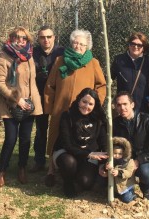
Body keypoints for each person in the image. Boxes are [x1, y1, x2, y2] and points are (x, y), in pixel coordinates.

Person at [44, 29, 107, 186]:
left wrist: (94, 103)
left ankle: (79, 166)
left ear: (88, 46)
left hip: (83, 111)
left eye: (82, 44)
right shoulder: (60, 60)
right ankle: (51, 170)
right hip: (61, 108)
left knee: (80, 138)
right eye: (75, 42)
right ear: (71, 43)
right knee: (55, 138)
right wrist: (50, 107)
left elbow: (101, 85)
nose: (78, 46)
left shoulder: (93, 63)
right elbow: (50, 86)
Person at [0, 27, 43, 186]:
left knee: (25, 139)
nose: (20, 40)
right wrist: (17, 100)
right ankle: (2, 169)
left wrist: (32, 102)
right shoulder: (4, 57)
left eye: (24, 38)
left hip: (28, 105)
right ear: (11, 38)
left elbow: (32, 82)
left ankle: (22, 167)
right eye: (17, 37)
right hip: (11, 105)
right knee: (10, 139)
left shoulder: (29, 56)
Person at [53, 88, 108, 197]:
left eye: (90, 104)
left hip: (89, 155)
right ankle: (67, 181)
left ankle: (77, 175)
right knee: (69, 163)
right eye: (84, 102)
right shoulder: (67, 116)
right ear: (79, 100)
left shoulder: (98, 119)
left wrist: (104, 162)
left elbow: (103, 143)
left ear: (95, 105)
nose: (86, 106)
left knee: (85, 182)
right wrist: (88, 154)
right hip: (67, 152)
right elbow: (67, 144)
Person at [112, 91, 149, 201]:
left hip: (144, 157)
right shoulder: (115, 123)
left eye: (125, 104)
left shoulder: (146, 120)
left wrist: (139, 160)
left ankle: (146, 188)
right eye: (119, 105)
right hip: (124, 159)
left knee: (145, 173)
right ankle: (127, 189)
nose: (122, 108)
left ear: (132, 105)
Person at [30, 25, 64, 173]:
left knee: (59, 128)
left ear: (54, 38)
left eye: (49, 37)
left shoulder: (61, 52)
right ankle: (39, 160)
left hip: (58, 96)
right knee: (41, 129)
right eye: (42, 37)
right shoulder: (32, 53)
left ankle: (58, 160)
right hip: (39, 96)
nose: (46, 40)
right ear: (38, 39)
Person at [111, 32, 149, 114]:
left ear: (144, 47)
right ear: (129, 45)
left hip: (143, 108)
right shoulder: (119, 60)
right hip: (123, 109)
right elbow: (108, 79)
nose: (135, 47)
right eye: (132, 44)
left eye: (139, 45)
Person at [99, 137, 136, 203]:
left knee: (127, 199)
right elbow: (104, 171)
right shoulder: (109, 161)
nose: (117, 156)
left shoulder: (129, 161)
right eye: (115, 153)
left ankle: (132, 194)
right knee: (106, 194)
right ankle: (118, 194)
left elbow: (129, 173)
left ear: (124, 153)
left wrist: (118, 172)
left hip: (124, 186)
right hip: (114, 187)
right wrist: (105, 167)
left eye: (120, 154)